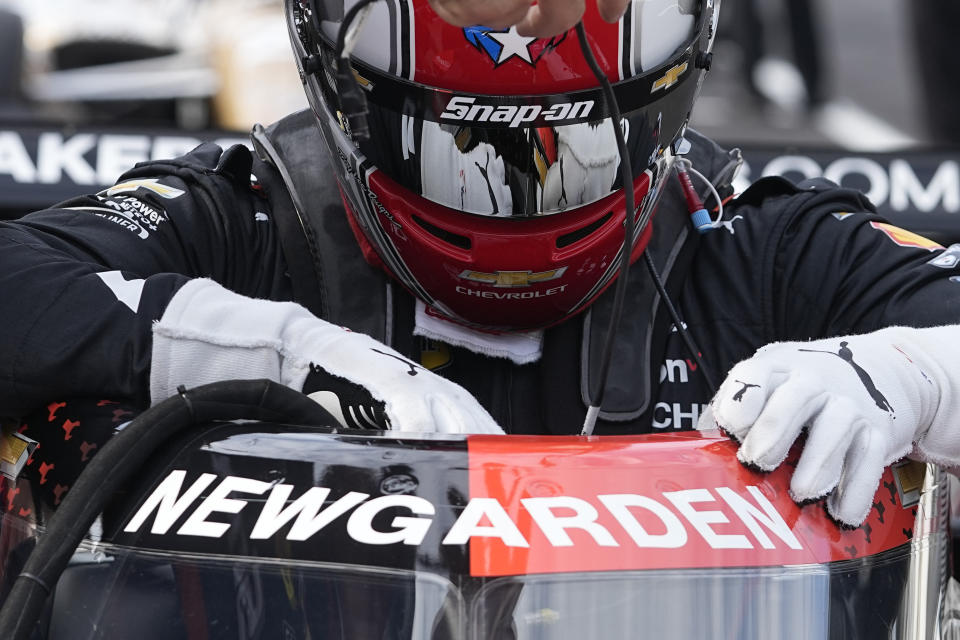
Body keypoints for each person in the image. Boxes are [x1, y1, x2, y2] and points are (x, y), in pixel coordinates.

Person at [1, 0, 959, 533]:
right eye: (463, 157)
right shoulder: (248, 223)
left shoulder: (755, 247)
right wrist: (279, 351)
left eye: (575, 152)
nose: (516, 205)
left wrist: (910, 375)